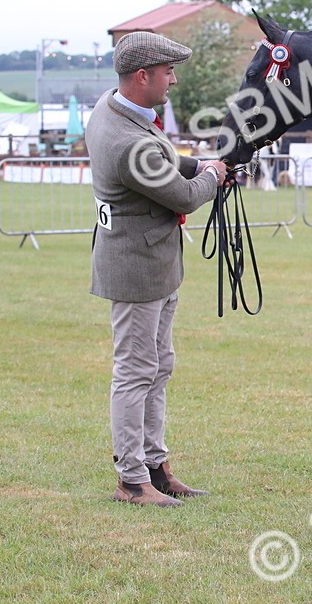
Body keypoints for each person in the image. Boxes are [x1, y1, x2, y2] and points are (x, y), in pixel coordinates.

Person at [86, 31, 228, 508]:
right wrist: (211, 175)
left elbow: (164, 161)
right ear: (142, 76)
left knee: (157, 366)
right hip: (137, 270)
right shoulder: (129, 142)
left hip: (151, 263)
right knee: (135, 371)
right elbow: (184, 196)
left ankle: (153, 465)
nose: (173, 78)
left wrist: (196, 163)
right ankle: (131, 479)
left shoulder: (114, 109)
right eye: (168, 70)